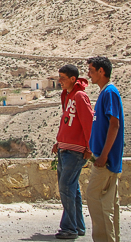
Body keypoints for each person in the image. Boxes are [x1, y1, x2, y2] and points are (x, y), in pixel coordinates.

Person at [52, 64, 93, 239]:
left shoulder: (80, 96)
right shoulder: (68, 96)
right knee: (73, 188)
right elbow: (68, 121)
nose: (59, 81)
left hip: (75, 152)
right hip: (65, 149)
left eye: (63, 78)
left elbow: (89, 122)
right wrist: (58, 142)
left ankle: (69, 228)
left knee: (65, 187)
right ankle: (78, 226)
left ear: (72, 79)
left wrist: (90, 148)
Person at [86, 56, 124, 242]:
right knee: (109, 205)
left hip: (104, 161)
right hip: (106, 159)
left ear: (102, 71)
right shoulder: (106, 92)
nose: (88, 74)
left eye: (91, 70)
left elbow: (114, 125)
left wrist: (103, 156)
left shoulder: (109, 92)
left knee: (96, 201)